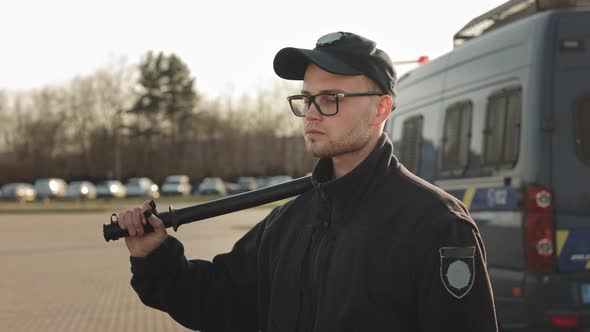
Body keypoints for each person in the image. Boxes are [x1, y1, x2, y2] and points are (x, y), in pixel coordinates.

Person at [117, 31, 499, 331]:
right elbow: (219, 302)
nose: (311, 114)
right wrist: (155, 258)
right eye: (307, 98)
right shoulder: (288, 222)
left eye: (331, 98)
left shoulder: (436, 225)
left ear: (381, 107)